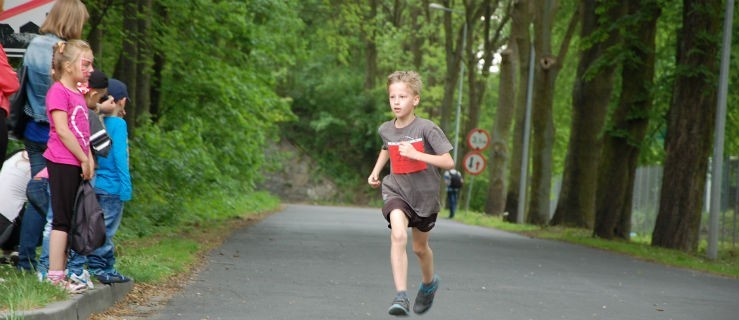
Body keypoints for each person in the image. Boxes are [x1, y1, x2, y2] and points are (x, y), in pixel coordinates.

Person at [367, 71, 454, 316]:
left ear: (415, 99)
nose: (396, 102)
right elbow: (387, 147)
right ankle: (401, 296)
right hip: (396, 190)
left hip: (425, 198)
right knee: (397, 236)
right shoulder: (386, 128)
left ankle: (428, 284)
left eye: (402, 96)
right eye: (392, 97)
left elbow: (448, 161)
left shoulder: (427, 128)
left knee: (419, 249)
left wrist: (417, 155)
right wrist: (376, 172)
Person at [16, 0, 89, 273]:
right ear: (73, 20)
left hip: (33, 130)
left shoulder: (33, 45)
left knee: (37, 194)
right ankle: (52, 263)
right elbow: (68, 98)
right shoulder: (65, 53)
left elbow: (24, 84)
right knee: (55, 199)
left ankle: (26, 260)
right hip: (58, 134)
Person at [66, 75, 132, 284]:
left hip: (94, 184)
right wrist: (126, 186)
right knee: (105, 232)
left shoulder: (91, 119)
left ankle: (91, 266)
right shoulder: (119, 125)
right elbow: (121, 157)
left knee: (90, 226)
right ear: (120, 100)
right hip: (112, 188)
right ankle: (102, 268)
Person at [44, 39, 95, 293]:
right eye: (85, 64)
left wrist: (89, 159)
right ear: (67, 66)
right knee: (61, 220)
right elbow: (63, 131)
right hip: (62, 161)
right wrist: (83, 158)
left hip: (77, 161)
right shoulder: (58, 91)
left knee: (72, 220)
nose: (90, 70)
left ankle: (62, 274)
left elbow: (83, 131)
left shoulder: (78, 93)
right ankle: (54, 277)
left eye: (91, 65)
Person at [0, 150, 30, 262]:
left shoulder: (15, 155)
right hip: (4, 222)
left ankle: (11, 249)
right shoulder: (39, 162)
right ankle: (21, 251)